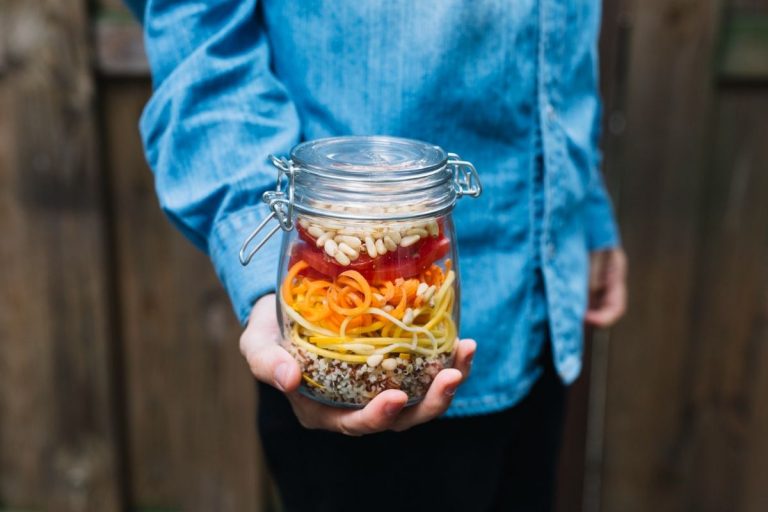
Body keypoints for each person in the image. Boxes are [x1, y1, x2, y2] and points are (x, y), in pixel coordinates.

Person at [126, 1, 627, 510]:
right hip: (337, 352)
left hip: (546, 301)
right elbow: (199, 32)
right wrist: (266, 271)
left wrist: (582, 202)